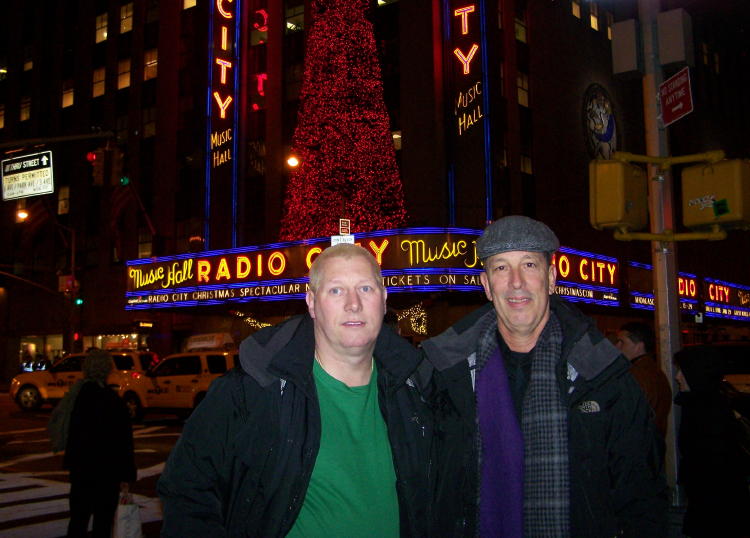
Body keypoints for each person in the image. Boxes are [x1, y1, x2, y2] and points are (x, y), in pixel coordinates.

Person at [157, 244, 431, 537]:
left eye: (365, 289)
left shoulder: (418, 388)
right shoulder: (254, 388)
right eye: (336, 290)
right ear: (311, 302)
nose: (354, 303)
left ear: (384, 299)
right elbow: (186, 489)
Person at [420, 215, 668, 537]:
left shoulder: (604, 376)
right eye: (500, 268)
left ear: (551, 278)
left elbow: (641, 498)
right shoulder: (444, 374)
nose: (516, 282)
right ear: (486, 286)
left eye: (529, 265)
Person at [48, 349, 136, 538]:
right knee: (102, 523)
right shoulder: (113, 401)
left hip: (81, 469)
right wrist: (127, 475)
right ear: (107, 369)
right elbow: (123, 442)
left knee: (78, 519)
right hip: (107, 472)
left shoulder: (76, 396)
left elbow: (72, 432)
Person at [674, 345, 750, 538]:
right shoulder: (706, 404)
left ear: (697, 372)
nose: (677, 376)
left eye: (682, 370)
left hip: (715, 507)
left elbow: (710, 464)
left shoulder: (706, 411)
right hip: (715, 505)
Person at [616, 322, 672, 438]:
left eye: (622, 342)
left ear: (639, 346)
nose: (617, 346)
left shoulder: (634, 375)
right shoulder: (657, 372)